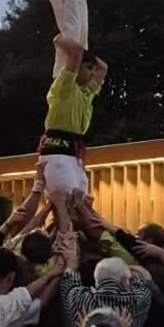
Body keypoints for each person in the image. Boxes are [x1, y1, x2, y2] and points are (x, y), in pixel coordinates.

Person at [37, 35, 106, 225]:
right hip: (57, 150)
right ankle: (60, 246)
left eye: (92, 68)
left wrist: (87, 51)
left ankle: (76, 246)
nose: (93, 73)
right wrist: (62, 38)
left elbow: (103, 68)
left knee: (81, 205)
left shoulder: (86, 93)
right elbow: (75, 53)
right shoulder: (64, 87)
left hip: (74, 152)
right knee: (64, 205)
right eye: (88, 68)